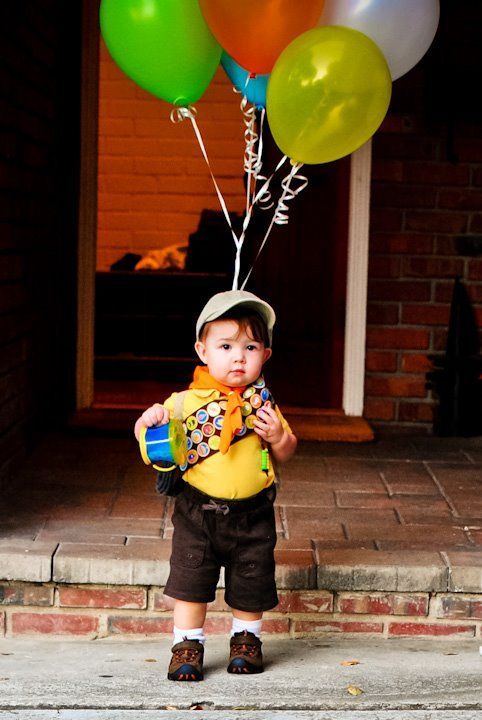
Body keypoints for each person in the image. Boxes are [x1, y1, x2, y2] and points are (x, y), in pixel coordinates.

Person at [134, 290, 297, 681]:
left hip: (253, 514)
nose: (238, 356)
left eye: (250, 346)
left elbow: (288, 451)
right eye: (226, 346)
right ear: (202, 351)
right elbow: (148, 439)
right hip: (197, 514)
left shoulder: (263, 406)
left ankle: (246, 642)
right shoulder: (185, 402)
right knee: (191, 584)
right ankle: (187, 645)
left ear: (266, 356)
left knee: (251, 582)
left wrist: (277, 436)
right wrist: (148, 419)